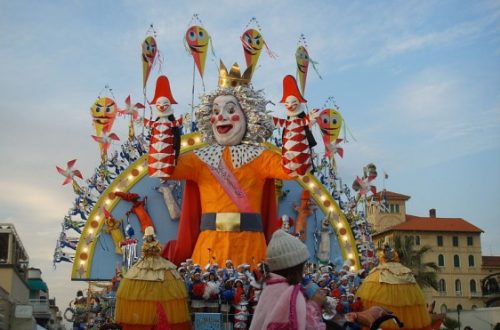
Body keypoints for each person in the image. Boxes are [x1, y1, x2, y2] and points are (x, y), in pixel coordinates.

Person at [162, 61, 299, 267]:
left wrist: (296, 118)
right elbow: (163, 169)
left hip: (251, 247)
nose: (221, 117)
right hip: (209, 248)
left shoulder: (260, 157)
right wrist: (164, 119)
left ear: (248, 114)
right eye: (216, 111)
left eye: (230, 109)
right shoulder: (200, 159)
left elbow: (294, 168)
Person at [115, 226, 191, 330]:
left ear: (152, 237)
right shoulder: (145, 245)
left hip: (158, 263)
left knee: (162, 285)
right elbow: (143, 253)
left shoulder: (156, 244)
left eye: (150, 237)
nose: (149, 238)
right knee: (141, 285)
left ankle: (160, 319)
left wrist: (154, 251)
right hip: (145, 264)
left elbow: (159, 250)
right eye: (148, 237)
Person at [250, 229, 326, 330]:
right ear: (296, 266)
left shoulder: (270, 288)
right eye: (303, 264)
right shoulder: (291, 295)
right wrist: (314, 306)